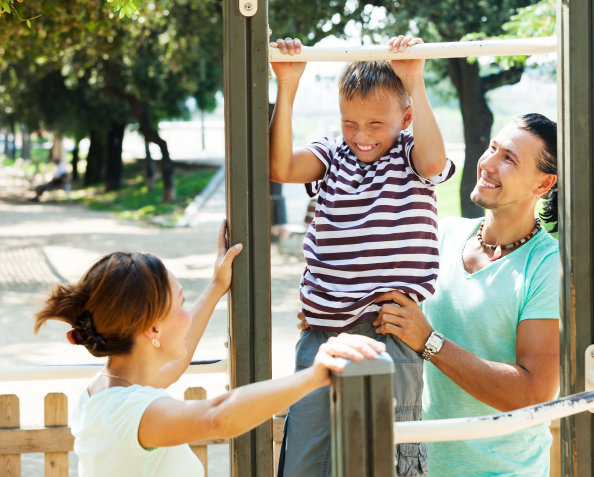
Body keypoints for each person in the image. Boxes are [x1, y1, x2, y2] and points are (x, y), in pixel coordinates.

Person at [33, 220, 386, 477]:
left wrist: (217, 286)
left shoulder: (101, 393)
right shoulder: (132, 413)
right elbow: (218, 417)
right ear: (152, 328)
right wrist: (316, 375)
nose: (187, 317)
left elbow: (174, 364)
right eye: (181, 304)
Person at [270, 35, 455, 476]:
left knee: (389, 453)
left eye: (376, 123)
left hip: (386, 327)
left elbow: (434, 164)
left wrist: (414, 77)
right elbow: (281, 168)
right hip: (322, 332)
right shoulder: (333, 154)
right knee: (306, 451)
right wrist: (288, 87)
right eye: (350, 122)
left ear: (405, 116)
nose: (362, 135)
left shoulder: (410, 155)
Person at [372, 113, 560, 476]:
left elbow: (532, 392)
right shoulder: (442, 235)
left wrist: (430, 342)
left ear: (543, 183)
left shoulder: (546, 266)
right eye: (492, 148)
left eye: (509, 158)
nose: (487, 164)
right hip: (420, 465)